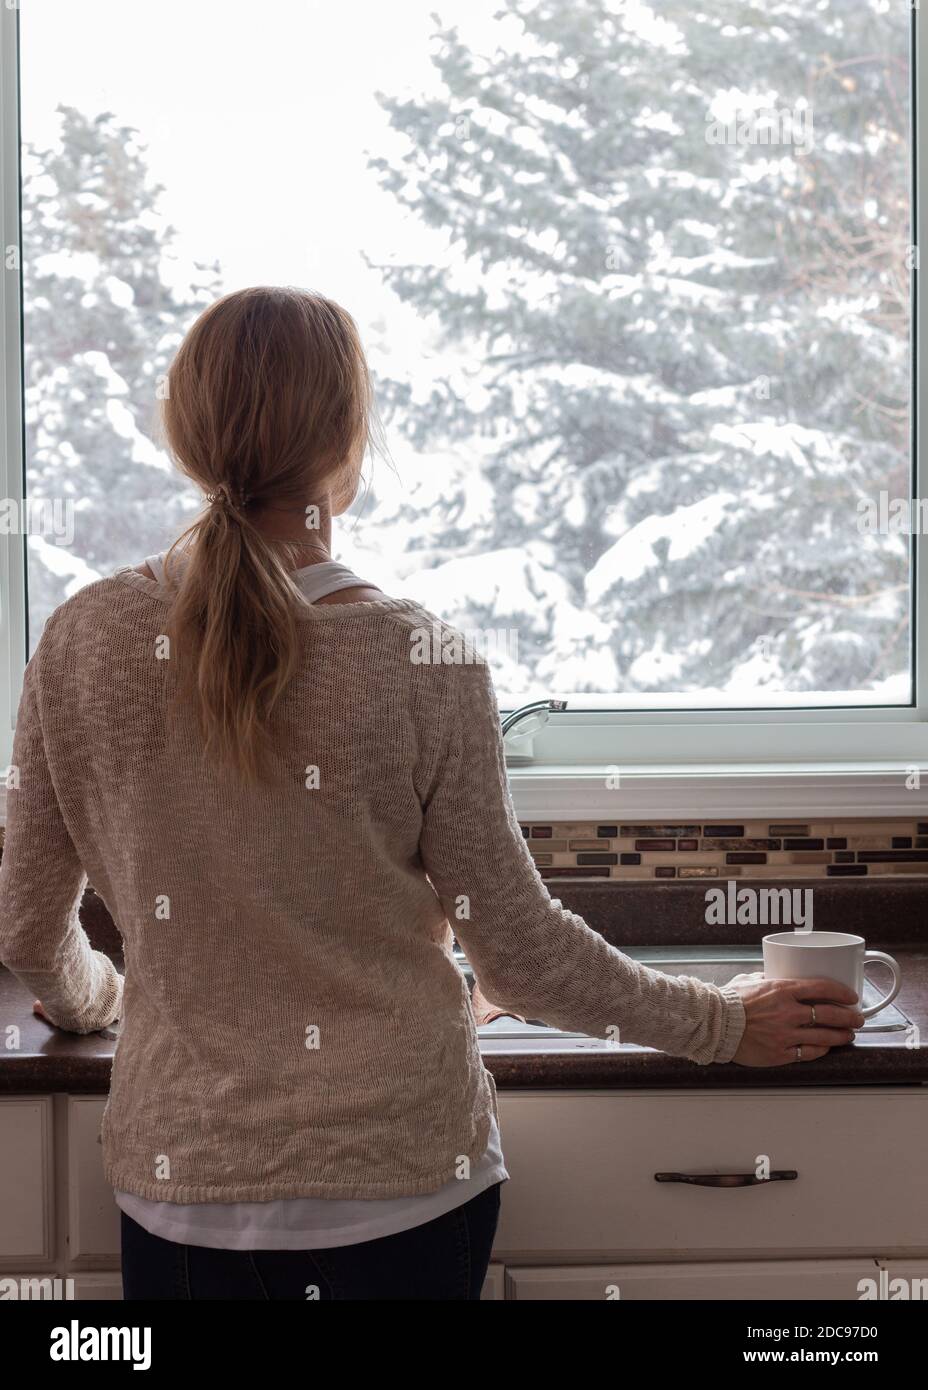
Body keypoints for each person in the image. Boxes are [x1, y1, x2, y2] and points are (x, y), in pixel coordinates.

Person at [0, 287, 864, 1300]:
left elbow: (25, 929)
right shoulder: (422, 659)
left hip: (183, 1191)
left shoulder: (80, 641)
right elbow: (523, 958)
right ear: (348, 449)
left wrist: (105, 998)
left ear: (187, 437)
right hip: (403, 1192)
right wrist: (720, 1023)